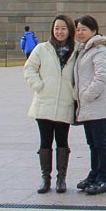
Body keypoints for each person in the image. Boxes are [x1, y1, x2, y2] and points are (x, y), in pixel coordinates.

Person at [23, 15, 77, 193]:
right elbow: (29, 68)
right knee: (45, 142)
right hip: (44, 102)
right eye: (57, 28)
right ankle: (46, 178)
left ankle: (61, 179)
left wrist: (75, 93)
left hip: (64, 102)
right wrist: (39, 86)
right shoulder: (42, 49)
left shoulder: (76, 50)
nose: (59, 32)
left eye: (63, 28)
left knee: (62, 141)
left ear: (69, 30)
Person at [73, 15, 106, 195]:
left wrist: (86, 95)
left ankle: (104, 178)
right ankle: (94, 174)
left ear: (94, 30)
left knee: (101, 143)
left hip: (97, 103)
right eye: (77, 29)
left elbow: (102, 76)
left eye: (84, 29)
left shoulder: (99, 49)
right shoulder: (83, 49)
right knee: (92, 143)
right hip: (88, 104)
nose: (80, 33)